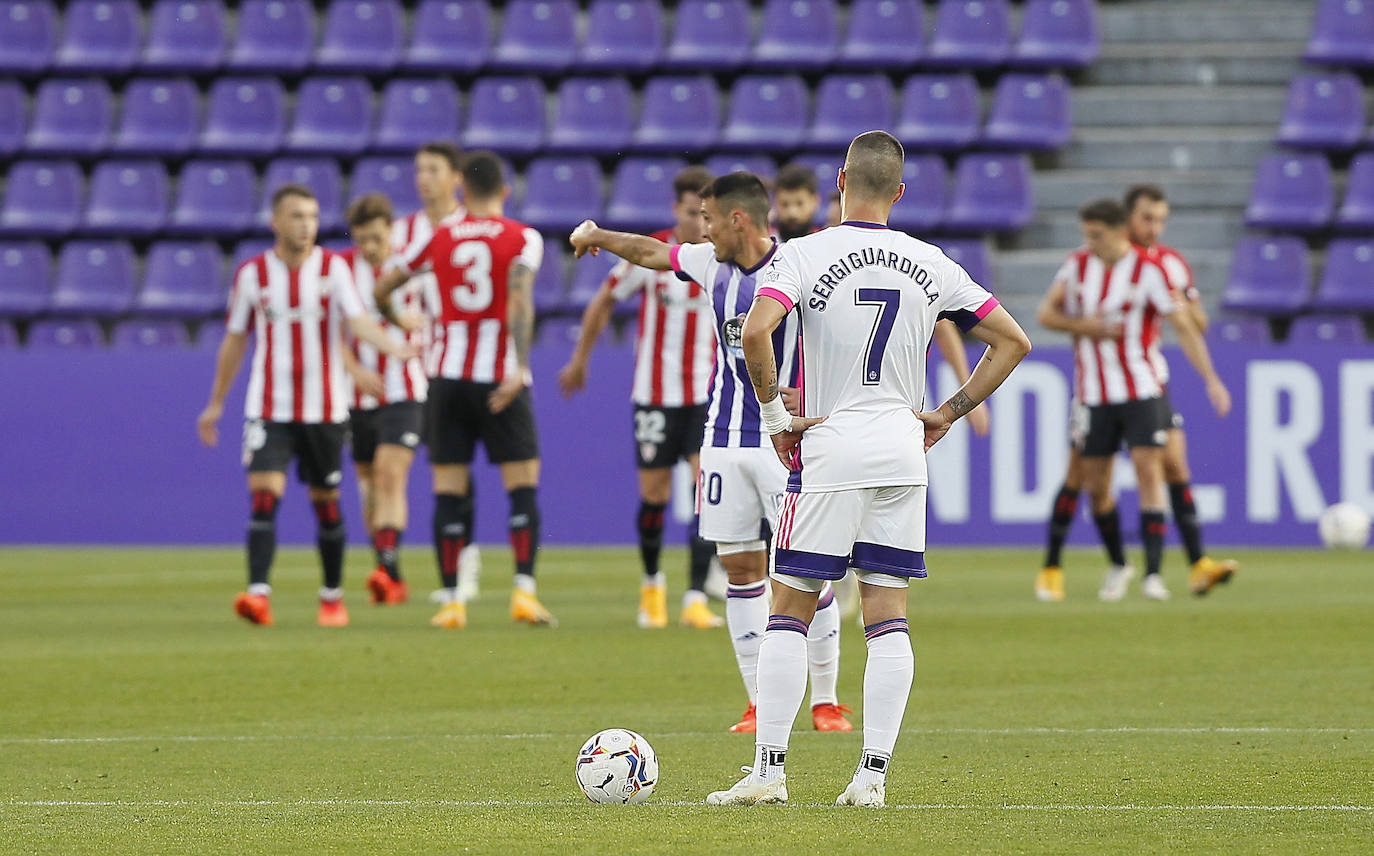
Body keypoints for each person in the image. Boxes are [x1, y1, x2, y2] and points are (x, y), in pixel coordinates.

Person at [701, 131, 1031, 808]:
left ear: (840, 180)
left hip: (831, 450)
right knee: (887, 614)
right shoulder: (929, 261)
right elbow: (1012, 340)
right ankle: (872, 778)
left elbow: (758, 332)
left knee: (789, 609)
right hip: (901, 452)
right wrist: (950, 410)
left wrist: (773, 417)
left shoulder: (803, 254)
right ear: (900, 192)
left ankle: (769, 772)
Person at [570, 172, 854, 734]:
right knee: (741, 572)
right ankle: (756, 703)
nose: (702, 229)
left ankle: (825, 701)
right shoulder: (710, 266)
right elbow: (652, 252)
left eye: (708, 219)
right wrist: (599, 234)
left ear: (738, 219)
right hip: (723, 442)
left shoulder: (798, 264)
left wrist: (813, 389)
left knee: (806, 573)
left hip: (786, 444)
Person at [196, 184, 419, 627]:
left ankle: (332, 596)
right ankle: (258, 594)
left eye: (313, 217)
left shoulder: (334, 269)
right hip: (269, 406)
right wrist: (216, 402)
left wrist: (396, 347)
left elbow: (357, 321)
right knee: (264, 496)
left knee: (327, 501)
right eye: (297, 216)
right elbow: (235, 339)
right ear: (276, 222)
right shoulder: (252, 275)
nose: (306, 225)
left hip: (325, 409)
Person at [375, 151, 554, 629]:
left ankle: (452, 600)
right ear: (505, 190)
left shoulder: (439, 237)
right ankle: (522, 592)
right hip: (500, 374)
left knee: (448, 489)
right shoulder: (523, 237)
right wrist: (519, 366)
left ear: (462, 189)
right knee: (522, 485)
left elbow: (383, 288)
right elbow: (519, 296)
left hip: (446, 377)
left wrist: (401, 322)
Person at [1036, 187, 1237, 602]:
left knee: (1154, 471)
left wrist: (1211, 378)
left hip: (1142, 389)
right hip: (1092, 394)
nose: (1088, 242)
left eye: (1095, 235)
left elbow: (1184, 325)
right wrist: (1083, 327)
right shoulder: (1077, 266)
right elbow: (1046, 313)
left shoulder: (1151, 269)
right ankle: (1118, 564)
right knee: (1095, 486)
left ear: (1116, 231)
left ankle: (1154, 576)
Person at [557, 166, 722, 630]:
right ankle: (652, 586)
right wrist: (581, 358)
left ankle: (693, 596)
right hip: (654, 394)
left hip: (703, 396)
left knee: (703, 492)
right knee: (653, 494)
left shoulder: (718, 259)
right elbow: (605, 299)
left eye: (705, 215)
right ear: (676, 211)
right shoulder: (654, 256)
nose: (699, 224)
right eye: (692, 213)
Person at [394, 141, 484, 603]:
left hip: (462, 365)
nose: (423, 177)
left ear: (455, 179)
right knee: (439, 470)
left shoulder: (472, 229)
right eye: (418, 168)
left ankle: (465, 562)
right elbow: (382, 285)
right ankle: (448, 570)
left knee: (457, 471)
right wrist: (395, 320)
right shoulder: (402, 231)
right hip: (414, 369)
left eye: (432, 169)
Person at [337, 192, 428, 606]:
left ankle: (387, 565)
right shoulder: (340, 270)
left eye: (376, 237)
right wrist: (354, 369)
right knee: (369, 484)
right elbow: (329, 330)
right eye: (362, 239)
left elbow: (435, 318)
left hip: (406, 388)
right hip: (355, 394)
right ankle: (388, 572)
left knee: (391, 475)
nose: (370, 247)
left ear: (391, 230)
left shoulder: (413, 266)